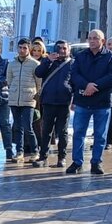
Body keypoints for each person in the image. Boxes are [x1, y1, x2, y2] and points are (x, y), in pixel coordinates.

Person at [69, 30, 112, 175]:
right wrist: (86, 86)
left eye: (95, 38)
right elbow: (74, 74)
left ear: (102, 41)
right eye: (90, 38)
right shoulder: (80, 56)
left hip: (102, 102)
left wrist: (94, 86)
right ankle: (77, 162)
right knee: (78, 132)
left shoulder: (111, 56)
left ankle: (96, 162)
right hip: (83, 100)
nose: (92, 41)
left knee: (100, 134)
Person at [33, 40, 74, 168]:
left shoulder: (73, 64)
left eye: (64, 48)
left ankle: (61, 158)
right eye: (59, 48)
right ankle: (43, 157)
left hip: (64, 102)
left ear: (69, 50)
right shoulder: (49, 62)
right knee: (46, 131)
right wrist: (47, 61)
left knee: (62, 132)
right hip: (48, 101)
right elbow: (38, 73)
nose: (62, 50)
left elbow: (77, 82)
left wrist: (74, 100)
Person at [6, 38, 41, 162]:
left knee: (28, 127)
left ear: (29, 49)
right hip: (15, 99)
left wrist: (35, 96)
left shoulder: (35, 64)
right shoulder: (12, 64)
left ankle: (35, 151)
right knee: (17, 127)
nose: (22, 50)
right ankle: (19, 152)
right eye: (20, 47)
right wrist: (14, 91)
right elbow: (9, 81)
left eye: (25, 48)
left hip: (29, 99)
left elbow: (39, 83)